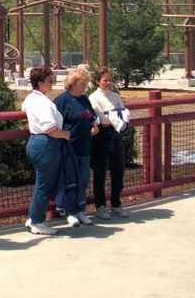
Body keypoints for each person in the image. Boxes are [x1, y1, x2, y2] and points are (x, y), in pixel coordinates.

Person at [20, 66, 68, 235]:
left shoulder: (31, 99)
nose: (52, 83)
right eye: (49, 80)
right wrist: (67, 135)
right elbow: (51, 129)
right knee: (44, 186)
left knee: (43, 183)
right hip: (47, 144)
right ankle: (36, 221)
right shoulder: (45, 104)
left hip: (35, 142)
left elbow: (23, 108)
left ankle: (34, 217)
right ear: (40, 83)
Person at [53, 67, 98, 226]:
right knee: (70, 181)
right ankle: (69, 212)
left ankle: (81, 210)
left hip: (85, 147)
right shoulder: (61, 101)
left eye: (85, 84)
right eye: (82, 83)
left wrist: (94, 125)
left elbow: (91, 116)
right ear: (72, 83)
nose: (84, 86)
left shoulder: (85, 99)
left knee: (83, 181)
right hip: (68, 149)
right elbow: (53, 123)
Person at [88, 67, 130, 219]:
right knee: (100, 171)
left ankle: (116, 204)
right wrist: (111, 117)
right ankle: (100, 206)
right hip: (101, 136)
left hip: (115, 134)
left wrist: (111, 118)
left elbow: (123, 114)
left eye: (110, 80)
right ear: (98, 81)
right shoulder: (93, 98)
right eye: (105, 80)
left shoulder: (115, 96)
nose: (108, 83)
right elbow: (102, 121)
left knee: (118, 169)